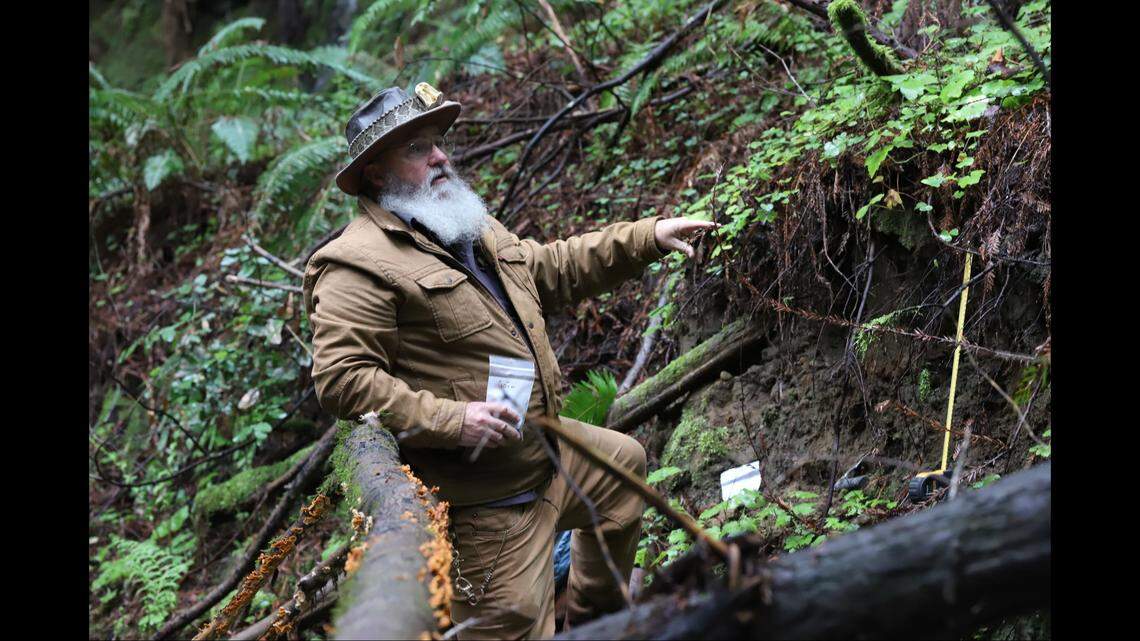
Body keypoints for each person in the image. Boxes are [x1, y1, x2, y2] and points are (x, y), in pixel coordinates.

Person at [303, 83, 715, 639]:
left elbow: (550, 270)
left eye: (437, 142)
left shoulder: (462, 224)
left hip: (542, 454)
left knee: (622, 472)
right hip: (486, 505)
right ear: (376, 173)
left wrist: (648, 236)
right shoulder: (357, 264)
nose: (441, 156)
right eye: (418, 148)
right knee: (514, 627)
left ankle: (599, 625)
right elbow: (343, 380)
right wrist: (455, 419)